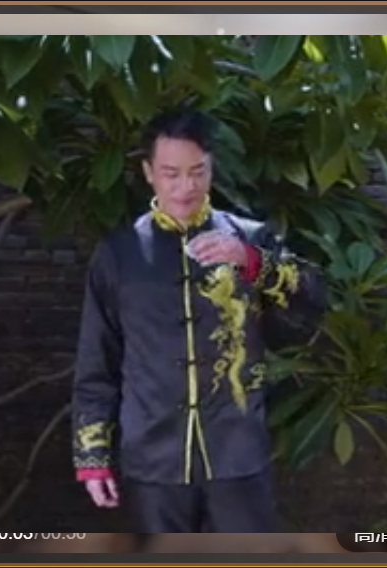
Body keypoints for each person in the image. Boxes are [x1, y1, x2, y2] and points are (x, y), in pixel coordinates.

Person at [71, 110, 328, 533]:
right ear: (149, 172)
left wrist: (251, 262)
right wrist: (92, 458)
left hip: (237, 456)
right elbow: (96, 362)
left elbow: (313, 297)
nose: (185, 187)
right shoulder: (119, 254)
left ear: (212, 168)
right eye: (171, 174)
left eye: (197, 172)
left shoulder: (250, 238)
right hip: (153, 460)